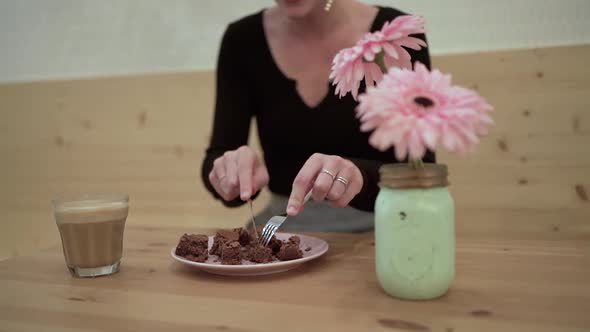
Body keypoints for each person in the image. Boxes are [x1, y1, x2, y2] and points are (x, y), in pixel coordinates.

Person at [201, 0, 434, 232]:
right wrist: (229, 173)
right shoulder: (241, 40)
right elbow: (219, 154)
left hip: (384, 231)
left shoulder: (396, 32)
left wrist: (359, 176)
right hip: (281, 231)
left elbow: (423, 170)